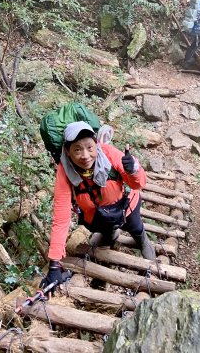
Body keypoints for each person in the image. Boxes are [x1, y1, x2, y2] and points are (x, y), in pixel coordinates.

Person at [40, 121, 155, 290]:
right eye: (77, 149)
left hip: (126, 207)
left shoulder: (108, 153)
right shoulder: (65, 171)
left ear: (96, 145)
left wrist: (134, 170)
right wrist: (55, 264)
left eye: (89, 147)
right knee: (106, 234)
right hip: (97, 216)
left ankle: (150, 275)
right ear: (68, 152)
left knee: (138, 232)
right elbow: (61, 218)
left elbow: (137, 184)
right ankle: (109, 243)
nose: (85, 155)